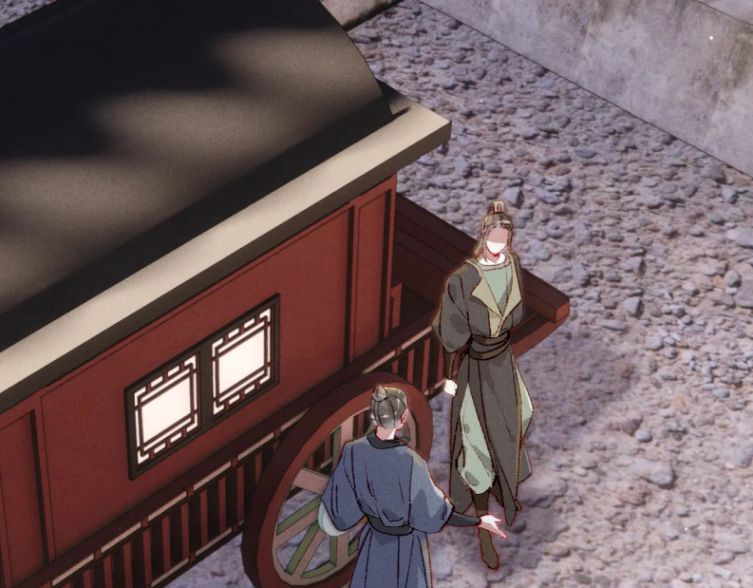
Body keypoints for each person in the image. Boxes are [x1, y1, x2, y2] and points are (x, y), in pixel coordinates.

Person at [318, 384, 507, 588]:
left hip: (373, 544)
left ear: (373, 417)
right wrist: (478, 521)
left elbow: (341, 510)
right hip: (405, 549)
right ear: (403, 418)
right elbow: (433, 513)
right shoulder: (410, 461)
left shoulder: (353, 451)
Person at [431, 200, 533, 569]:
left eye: (503, 238)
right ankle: (482, 526)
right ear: (484, 236)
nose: (497, 243)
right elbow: (450, 331)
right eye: (493, 237)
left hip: (502, 363)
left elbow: (514, 313)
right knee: (475, 444)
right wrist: (448, 375)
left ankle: (505, 489)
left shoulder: (511, 266)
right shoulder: (464, 279)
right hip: (476, 367)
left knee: (516, 421)